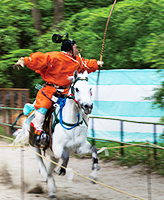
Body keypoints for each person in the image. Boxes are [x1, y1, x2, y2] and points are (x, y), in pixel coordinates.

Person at [14, 33, 103, 147]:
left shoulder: (76, 61)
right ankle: (39, 133)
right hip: (50, 90)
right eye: (75, 47)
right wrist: (25, 60)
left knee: (81, 107)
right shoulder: (54, 57)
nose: (77, 50)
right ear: (70, 49)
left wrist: (96, 64)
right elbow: (39, 59)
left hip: (67, 92)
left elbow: (86, 64)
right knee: (42, 111)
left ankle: (81, 133)